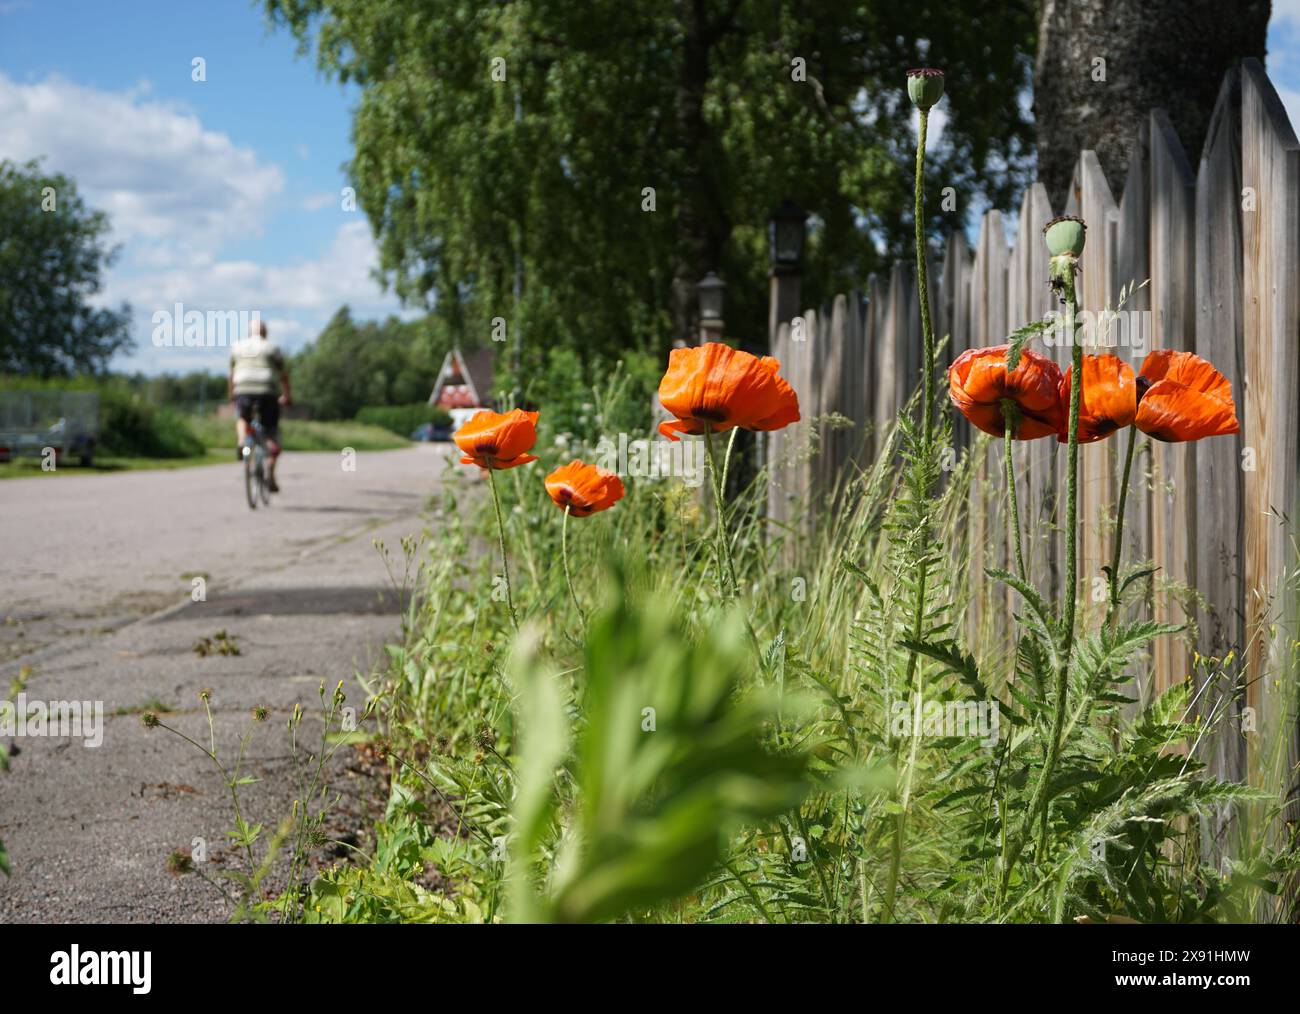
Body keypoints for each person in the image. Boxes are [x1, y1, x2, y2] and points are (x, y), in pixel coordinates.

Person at [229, 318, 292, 492]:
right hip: (267, 391)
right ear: (265, 333)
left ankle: (242, 441)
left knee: (242, 418)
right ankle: (270, 474)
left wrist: (232, 395)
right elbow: (283, 375)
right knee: (271, 432)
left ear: (250, 332)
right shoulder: (272, 347)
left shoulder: (237, 347)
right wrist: (286, 395)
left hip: (243, 388)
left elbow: (232, 374)